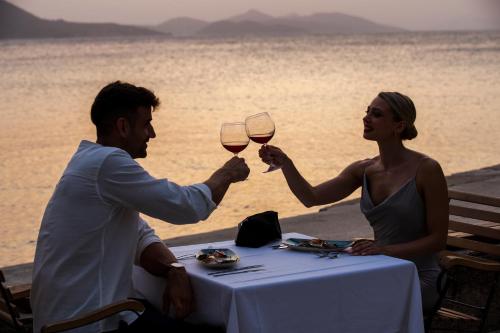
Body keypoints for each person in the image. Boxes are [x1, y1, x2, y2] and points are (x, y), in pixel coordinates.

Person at [31, 81, 250, 333]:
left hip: (79, 317)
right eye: (146, 124)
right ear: (123, 126)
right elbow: (185, 206)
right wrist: (226, 174)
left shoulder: (89, 162)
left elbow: (138, 233)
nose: (152, 134)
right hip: (87, 323)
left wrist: (175, 269)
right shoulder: (107, 163)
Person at [259, 91, 448, 313]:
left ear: (399, 126)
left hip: (418, 276)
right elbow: (311, 197)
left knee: (343, 301)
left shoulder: (427, 170)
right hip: (378, 268)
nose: (366, 118)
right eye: (367, 112)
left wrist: (383, 249)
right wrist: (286, 163)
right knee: (321, 293)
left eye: (376, 114)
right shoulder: (364, 169)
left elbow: (437, 240)